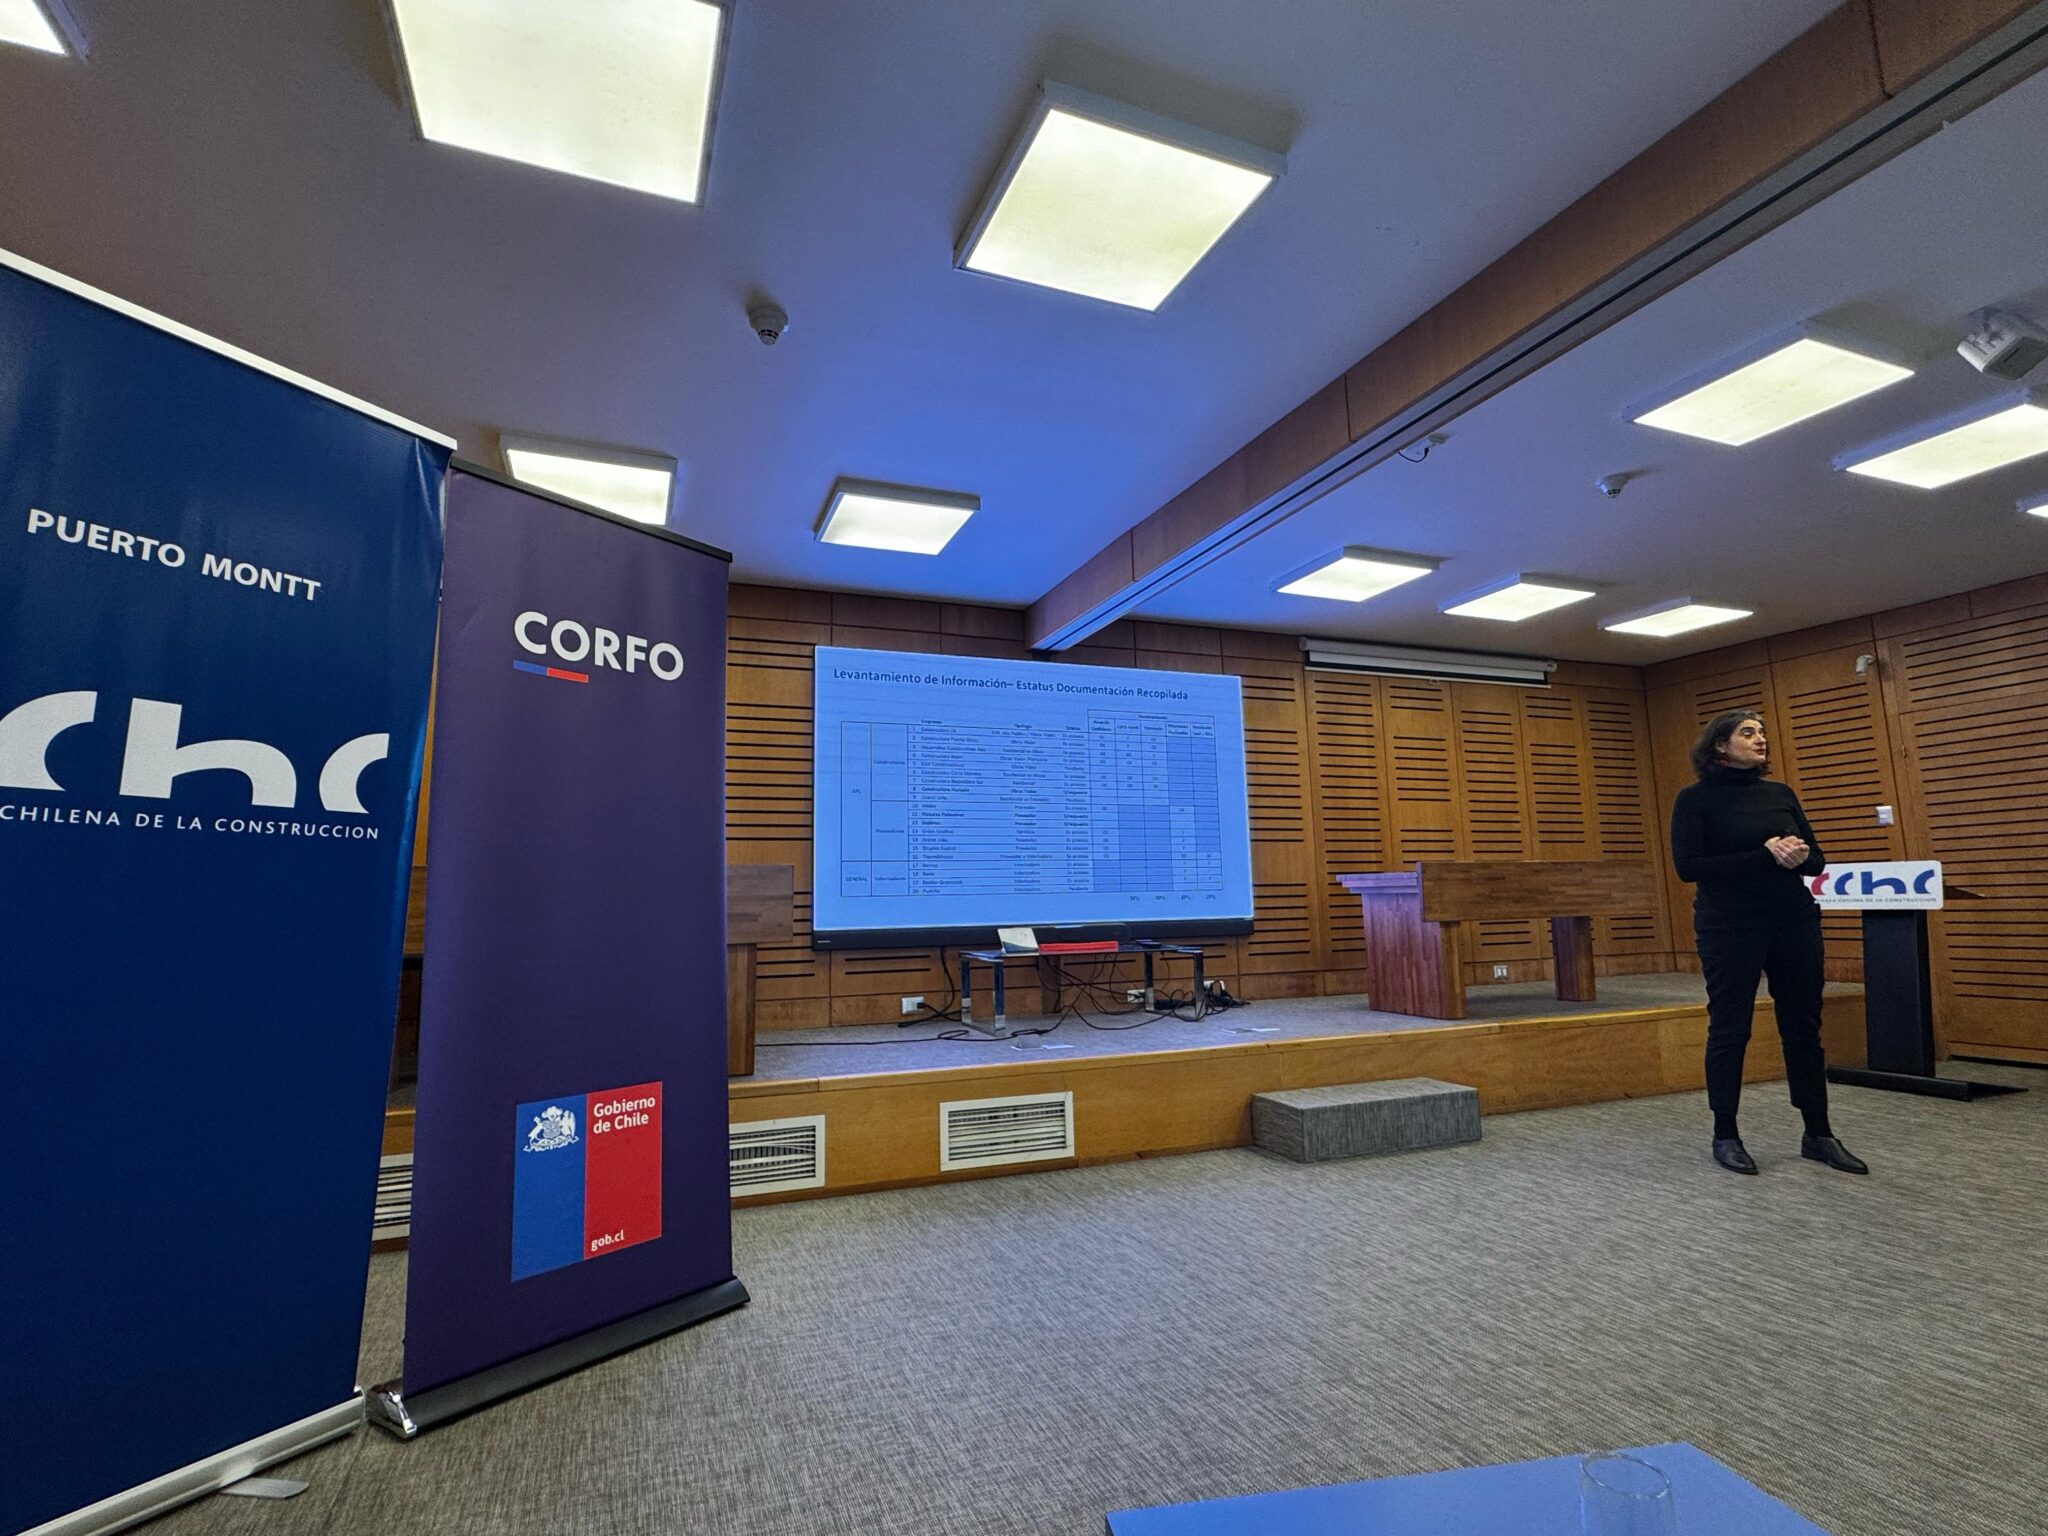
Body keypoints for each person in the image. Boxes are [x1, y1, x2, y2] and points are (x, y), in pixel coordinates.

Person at [1669, 710, 1867, 1176]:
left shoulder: (1780, 794)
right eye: (1748, 732)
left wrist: (1799, 856)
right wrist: (1764, 855)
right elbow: (1689, 867)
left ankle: (1818, 1133)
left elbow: (1816, 861)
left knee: (1803, 1028)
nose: (1760, 739)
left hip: (1792, 919)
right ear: (1721, 745)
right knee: (1730, 1028)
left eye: (1761, 732)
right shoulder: (1694, 800)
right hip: (1729, 925)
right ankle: (1726, 1134)